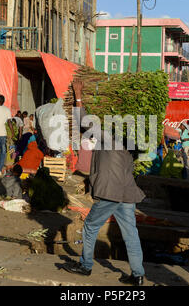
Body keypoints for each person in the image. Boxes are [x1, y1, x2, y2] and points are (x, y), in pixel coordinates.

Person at [61, 79, 146, 286]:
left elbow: (83, 122)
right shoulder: (129, 146)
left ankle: (85, 266)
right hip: (127, 193)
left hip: (111, 192)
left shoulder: (107, 137)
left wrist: (78, 95)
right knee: (130, 233)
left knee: (90, 225)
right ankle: (138, 275)